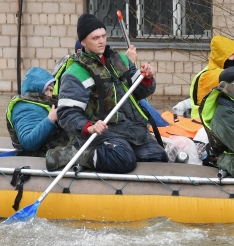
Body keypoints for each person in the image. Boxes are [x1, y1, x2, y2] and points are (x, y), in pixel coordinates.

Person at [55, 13, 168, 173]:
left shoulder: (120, 59)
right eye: (95, 38)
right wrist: (89, 127)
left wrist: (147, 78)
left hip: (132, 130)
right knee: (123, 159)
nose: (101, 41)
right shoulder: (75, 73)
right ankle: (79, 154)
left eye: (103, 36)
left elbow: (142, 92)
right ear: (83, 42)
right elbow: (66, 114)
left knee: (159, 157)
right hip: (103, 134)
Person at [6, 67, 72, 157]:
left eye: (51, 90)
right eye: (47, 89)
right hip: (36, 158)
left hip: (52, 153)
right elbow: (28, 143)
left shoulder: (42, 103)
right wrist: (50, 119)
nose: (50, 94)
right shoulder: (24, 108)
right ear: (36, 87)